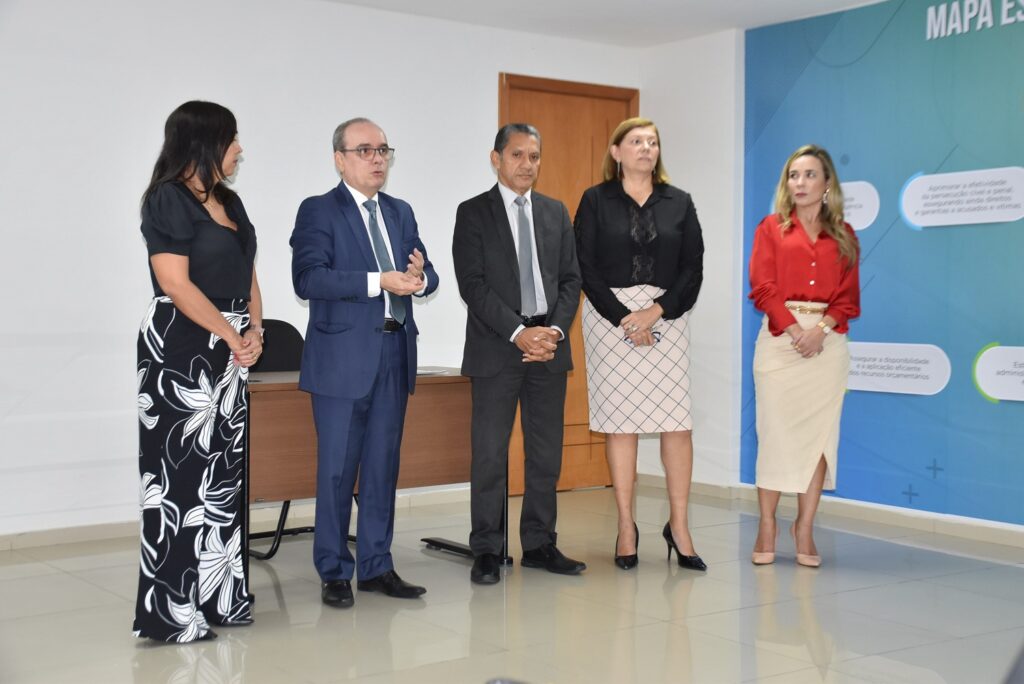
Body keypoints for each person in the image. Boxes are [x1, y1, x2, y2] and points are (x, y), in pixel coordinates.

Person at [291, 117, 438, 607]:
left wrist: (421, 278)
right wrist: (380, 281)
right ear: (340, 159)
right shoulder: (319, 210)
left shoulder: (400, 211)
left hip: (395, 353)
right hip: (341, 362)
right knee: (337, 471)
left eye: (383, 150)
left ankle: (377, 566)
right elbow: (309, 279)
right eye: (365, 150)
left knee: (382, 468)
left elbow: (428, 273)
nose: (377, 159)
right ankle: (334, 570)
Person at [134, 100, 260, 642]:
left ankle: (220, 597)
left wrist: (256, 330)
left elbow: (248, 273)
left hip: (231, 347)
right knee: (179, 480)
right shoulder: (167, 198)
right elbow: (175, 283)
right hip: (183, 345)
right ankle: (171, 612)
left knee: (223, 478)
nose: (239, 149)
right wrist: (231, 334)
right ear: (206, 142)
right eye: (232, 139)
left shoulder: (230, 201)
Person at [453, 123, 584, 585]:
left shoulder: (555, 211)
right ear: (496, 159)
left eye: (534, 156)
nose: (527, 164)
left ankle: (540, 543)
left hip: (548, 346)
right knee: (490, 453)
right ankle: (488, 549)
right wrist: (517, 332)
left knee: (545, 454)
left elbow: (570, 279)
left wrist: (552, 332)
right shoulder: (473, 212)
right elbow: (472, 285)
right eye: (517, 155)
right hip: (497, 346)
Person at [574, 117, 706, 572]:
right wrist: (625, 318)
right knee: (621, 426)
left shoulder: (679, 201)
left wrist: (656, 311)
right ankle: (626, 527)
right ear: (616, 152)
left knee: (677, 424)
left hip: (666, 315)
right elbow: (584, 266)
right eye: (636, 141)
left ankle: (680, 527)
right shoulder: (595, 200)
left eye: (652, 142)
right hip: (609, 318)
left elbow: (693, 267)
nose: (646, 148)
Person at [748, 144, 860, 567]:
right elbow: (762, 287)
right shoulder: (770, 228)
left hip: (827, 346)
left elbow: (848, 299)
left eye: (810, 175)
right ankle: (767, 525)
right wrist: (796, 331)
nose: (800, 182)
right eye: (793, 175)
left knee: (818, 440)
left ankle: (804, 528)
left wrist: (820, 331)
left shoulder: (845, 235)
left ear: (827, 183)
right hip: (781, 342)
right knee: (774, 435)